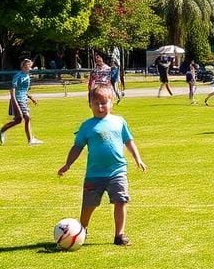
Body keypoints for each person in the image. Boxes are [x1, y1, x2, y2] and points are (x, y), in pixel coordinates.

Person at [58, 84, 147, 246]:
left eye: (104, 103)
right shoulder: (87, 126)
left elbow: (129, 141)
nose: (100, 107)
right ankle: (81, 230)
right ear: (89, 104)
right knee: (89, 205)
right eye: (95, 103)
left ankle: (119, 235)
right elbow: (77, 147)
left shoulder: (119, 122)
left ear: (111, 103)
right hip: (95, 174)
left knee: (121, 201)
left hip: (118, 171)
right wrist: (67, 164)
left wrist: (137, 158)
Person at [0, 58, 42, 145]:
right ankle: (1, 131)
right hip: (17, 100)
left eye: (30, 66)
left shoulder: (27, 76)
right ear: (23, 67)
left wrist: (30, 98)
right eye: (29, 66)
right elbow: (12, 90)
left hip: (23, 100)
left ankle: (30, 140)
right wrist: (14, 102)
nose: (30, 68)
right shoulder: (18, 76)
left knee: (23, 119)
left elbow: (23, 90)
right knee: (21, 119)